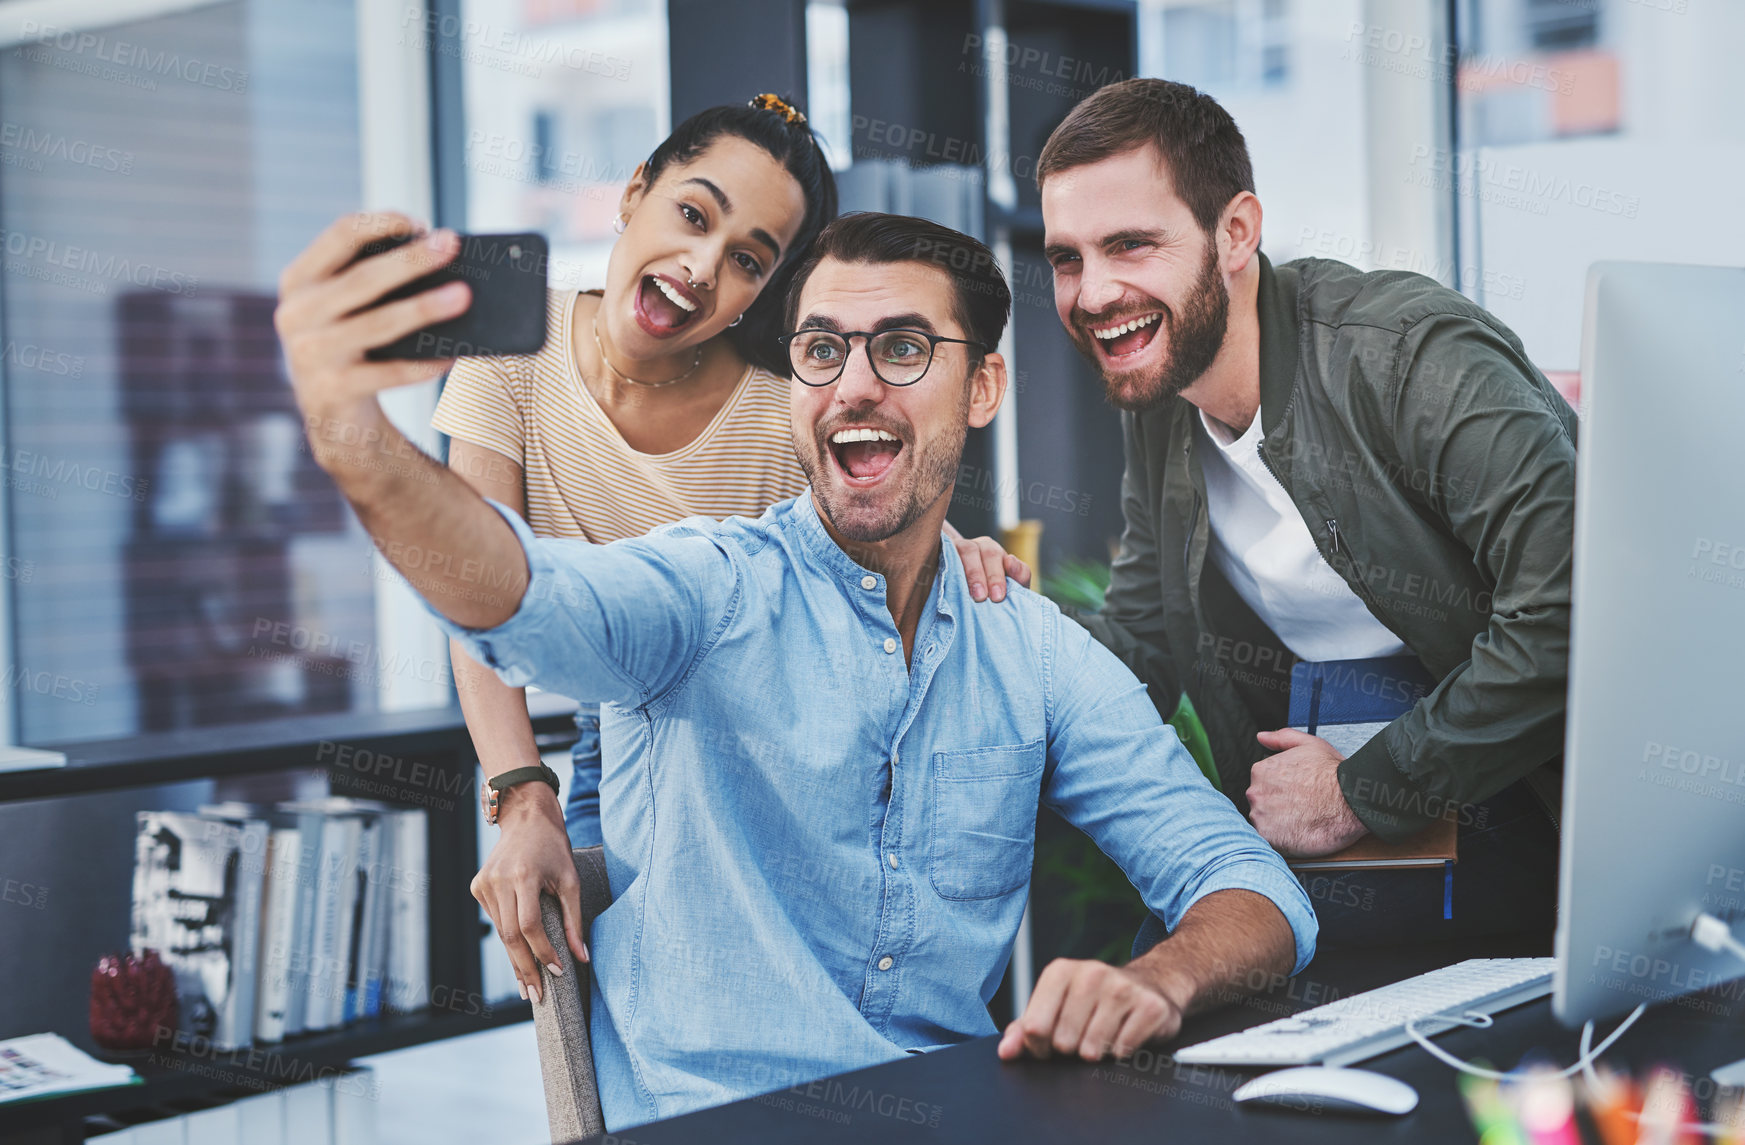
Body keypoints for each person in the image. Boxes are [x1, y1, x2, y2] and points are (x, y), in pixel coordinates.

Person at [278, 208, 1318, 1129]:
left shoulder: (1028, 644)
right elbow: (516, 592)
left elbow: (1250, 885)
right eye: (821, 350)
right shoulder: (703, 589)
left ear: (982, 386)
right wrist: (357, 441)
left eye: (902, 348)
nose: (852, 386)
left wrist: (1156, 982)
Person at [420, 95, 1028, 1002]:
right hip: (607, 742)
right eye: (692, 215)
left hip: (775, 748)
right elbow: (478, 591)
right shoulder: (511, 357)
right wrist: (521, 795)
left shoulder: (777, 405)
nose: (702, 267)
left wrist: (948, 548)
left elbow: (864, 536)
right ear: (635, 192)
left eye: (747, 259)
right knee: (630, 1026)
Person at [1036, 78, 1575, 945]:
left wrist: (1365, 787)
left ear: (1236, 232)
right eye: (1068, 258)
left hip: (1504, 787)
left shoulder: (1410, 358)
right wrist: (994, 608)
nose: (1093, 294)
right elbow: (1139, 653)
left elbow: (1571, 612)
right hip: (1313, 795)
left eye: (1130, 244)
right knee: (1172, 1013)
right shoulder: (1162, 402)